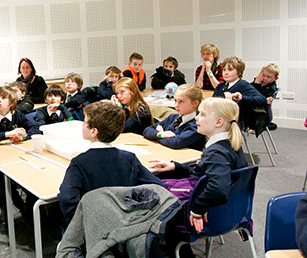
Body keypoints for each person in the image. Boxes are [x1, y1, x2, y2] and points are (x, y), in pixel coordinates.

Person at [150, 97, 248, 257]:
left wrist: (196, 210)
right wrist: (176, 166)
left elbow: (218, 188)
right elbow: (203, 174)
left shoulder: (217, 153)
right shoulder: (229, 145)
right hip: (230, 210)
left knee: (152, 203)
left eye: (202, 114)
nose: (196, 117)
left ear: (218, 122)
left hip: (211, 214)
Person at [58, 101, 164, 225]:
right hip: (125, 222)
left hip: (93, 225)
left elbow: (67, 198)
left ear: (94, 132)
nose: (82, 125)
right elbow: (157, 185)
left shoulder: (79, 163)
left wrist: (80, 225)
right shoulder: (129, 158)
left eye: (85, 123)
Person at [0, 85, 41, 234]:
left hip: (16, 156)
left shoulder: (17, 114)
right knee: (0, 178)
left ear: (12, 103)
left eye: (4, 98)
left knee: (32, 171)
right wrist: (7, 134)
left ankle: (30, 210)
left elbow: (34, 129)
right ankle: (6, 214)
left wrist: (23, 136)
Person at [143, 84, 205, 150]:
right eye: (175, 100)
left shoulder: (197, 125)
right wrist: (160, 134)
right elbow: (147, 130)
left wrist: (156, 136)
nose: (176, 105)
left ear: (195, 103)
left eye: (181, 101)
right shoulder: (173, 117)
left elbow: (175, 142)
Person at [213, 56, 267, 128]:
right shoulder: (220, 86)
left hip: (234, 120)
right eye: (224, 70)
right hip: (219, 117)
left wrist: (242, 97)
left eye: (230, 70)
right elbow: (213, 101)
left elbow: (262, 99)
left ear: (239, 72)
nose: (226, 73)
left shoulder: (242, 85)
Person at [251, 63, 280, 130]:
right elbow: (247, 89)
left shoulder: (271, 88)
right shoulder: (259, 82)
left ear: (275, 78)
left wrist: (257, 83)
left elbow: (256, 97)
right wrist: (256, 81)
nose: (265, 78)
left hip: (258, 114)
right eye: (263, 75)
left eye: (269, 77)